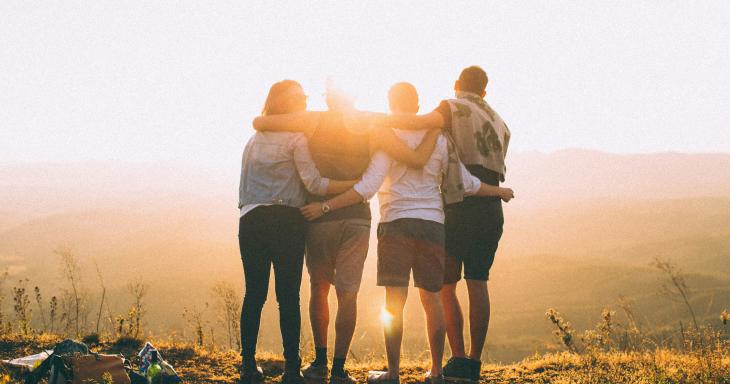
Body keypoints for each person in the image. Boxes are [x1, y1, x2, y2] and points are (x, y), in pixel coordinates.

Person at [300, 83, 514, 384]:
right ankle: (437, 372)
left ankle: (394, 372)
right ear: (417, 105)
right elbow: (466, 183)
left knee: (394, 303)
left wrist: (326, 206)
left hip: (396, 223)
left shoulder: (387, 136)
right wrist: (499, 191)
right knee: (433, 299)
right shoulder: (439, 138)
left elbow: (368, 187)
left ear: (390, 103)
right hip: (433, 225)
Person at [252, 83, 440, 384]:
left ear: (328, 98)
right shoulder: (370, 122)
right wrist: (436, 121)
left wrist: (261, 120)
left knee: (319, 288)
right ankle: (339, 369)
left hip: (318, 217)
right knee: (348, 293)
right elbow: (412, 129)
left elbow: (262, 122)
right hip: (357, 217)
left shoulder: (313, 119)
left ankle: (319, 363)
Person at [385, 66, 512, 383]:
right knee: (479, 282)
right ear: (485, 91)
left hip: (458, 204)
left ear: (457, 85)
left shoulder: (451, 107)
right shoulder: (499, 122)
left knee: (446, 285)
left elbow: (416, 123)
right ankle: (474, 362)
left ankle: (455, 358)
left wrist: (373, 122)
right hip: (490, 206)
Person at [237, 80, 357, 384]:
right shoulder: (297, 138)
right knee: (288, 297)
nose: (305, 101)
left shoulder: (254, 139)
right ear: (288, 105)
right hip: (287, 221)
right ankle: (292, 369)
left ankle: (248, 367)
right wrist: (353, 185)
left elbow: (244, 187)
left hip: (251, 219)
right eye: (300, 98)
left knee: (254, 294)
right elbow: (314, 184)